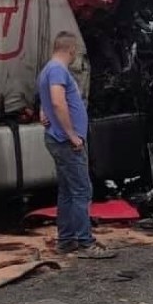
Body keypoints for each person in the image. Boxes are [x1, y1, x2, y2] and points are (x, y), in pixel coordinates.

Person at [38, 32, 116, 259]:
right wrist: (72, 134)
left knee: (67, 191)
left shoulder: (47, 70)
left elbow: (46, 103)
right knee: (82, 190)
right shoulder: (57, 70)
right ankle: (85, 242)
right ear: (71, 50)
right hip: (66, 141)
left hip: (57, 138)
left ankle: (66, 240)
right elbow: (57, 101)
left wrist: (45, 113)